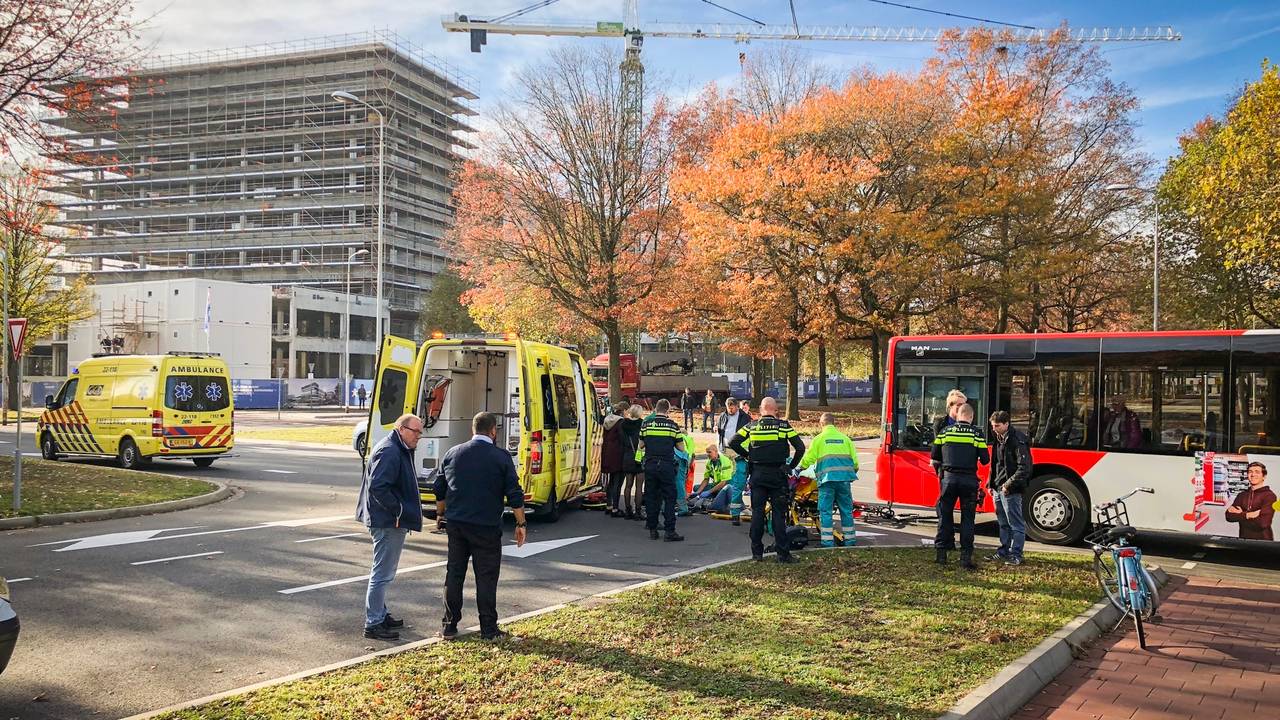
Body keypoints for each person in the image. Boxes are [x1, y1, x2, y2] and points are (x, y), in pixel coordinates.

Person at [434, 412, 528, 641]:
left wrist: (440, 513)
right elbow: (514, 494)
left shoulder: (453, 453)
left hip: (456, 523)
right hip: (486, 525)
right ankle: (488, 628)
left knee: (454, 573)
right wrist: (521, 522)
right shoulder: (501, 457)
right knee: (486, 577)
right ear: (493, 431)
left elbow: (440, 487)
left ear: (472, 430)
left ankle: (449, 625)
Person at [355, 413, 424, 640]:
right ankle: (373, 622)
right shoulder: (391, 451)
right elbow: (379, 488)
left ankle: (380, 614)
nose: (419, 437)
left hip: (387, 520)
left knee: (384, 571)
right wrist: (399, 511)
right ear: (402, 429)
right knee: (382, 574)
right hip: (387, 521)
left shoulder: (395, 447)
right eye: (416, 432)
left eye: (420, 432)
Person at [728, 397, 805, 563]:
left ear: (761, 410)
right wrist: (790, 466)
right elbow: (800, 447)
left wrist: (748, 455)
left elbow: (732, 441)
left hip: (757, 474)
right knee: (778, 514)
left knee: (757, 512)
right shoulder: (783, 426)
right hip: (778, 475)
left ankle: (757, 554)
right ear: (775, 410)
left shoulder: (752, 426)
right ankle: (782, 554)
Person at [931, 403, 990, 570]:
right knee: (967, 520)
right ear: (971, 417)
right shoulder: (976, 435)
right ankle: (965, 558)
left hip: (948, 480)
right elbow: (985, 460)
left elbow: (935, 455)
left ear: (957, 416)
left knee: (945, 516)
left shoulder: (945, 432)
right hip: (968, 481)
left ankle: (941, 555)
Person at [797, 413, 859, 548]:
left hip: (827, 481)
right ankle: (850, 541)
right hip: (844, 481)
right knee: (846, 510)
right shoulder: (846, 439)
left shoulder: (819, 439)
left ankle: (827, 542)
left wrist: (799, 468)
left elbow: (809, 459)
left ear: (821, 424)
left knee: (825, 511)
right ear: (834, 423)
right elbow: (855, 464)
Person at [987, 410, 1031, 565]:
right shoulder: (998, 438)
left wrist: (1008, 485)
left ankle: (1016, 554)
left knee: (1015, 524)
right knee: (1003, 523)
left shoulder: (1017, 440)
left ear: (1006, 424)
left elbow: (1024, 468)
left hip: (1010, 488)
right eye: (992, 426)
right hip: (999, 487)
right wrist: (990, 483)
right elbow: (996, 464)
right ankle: (1004, 551)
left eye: (997, 426)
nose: (994, 429)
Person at [639, 399, 686, 541]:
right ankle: (669, 531)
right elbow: (681, 448)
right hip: (666, 465)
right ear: (668, 410)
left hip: (650, 464)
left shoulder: (646, 425)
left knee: (651, 497)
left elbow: (641, 444)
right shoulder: (672, 426)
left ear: (656, 409)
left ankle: (652, 529)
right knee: (669, 498)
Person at [716, 397, 751, 525]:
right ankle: (736, 511)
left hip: (740, 451)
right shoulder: (723, 416)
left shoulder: (744, 417)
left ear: (737, 406)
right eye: (728, 407)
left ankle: (737, 510)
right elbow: (720, 432)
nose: (730, 409)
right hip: (727, 450)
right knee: (737, 481)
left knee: (738, 481)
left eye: (732, 407)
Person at [1225, 462, 1276, 541]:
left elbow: (1263, 523)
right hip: (1244, 540)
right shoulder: (1241, 495)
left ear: (1264, 476)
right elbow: (1228, 516)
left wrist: (1240, 515)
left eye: (1257, 472)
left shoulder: (1269, 496)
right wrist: (1248, 515)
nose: (1253, 475)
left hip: (1264, 542)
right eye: (1250, 472)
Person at [600, 402, 628, 517]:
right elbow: (622, 438)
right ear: (623, 410)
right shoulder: (621, 422)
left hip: (607, 452)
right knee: (618, 481)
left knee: (611, 481)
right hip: (618, 454)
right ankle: (615, 509)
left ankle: (609, 505)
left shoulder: (607, 420)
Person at [619, 405, 645, 520]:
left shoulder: (623, 424)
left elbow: (621, 440)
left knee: (628, 485)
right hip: (640, 456)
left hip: (628, 456)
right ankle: (638, 511)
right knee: (639, 486)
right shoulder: (643, 424)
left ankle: (628, 509)